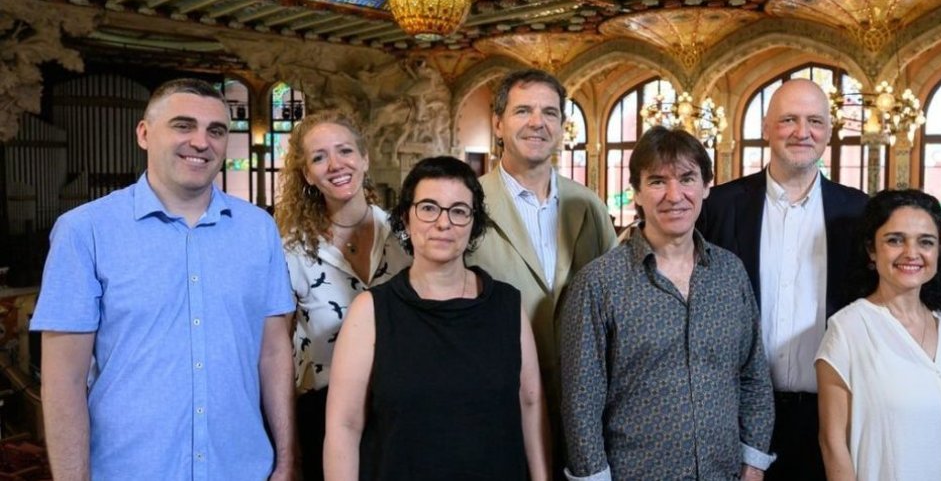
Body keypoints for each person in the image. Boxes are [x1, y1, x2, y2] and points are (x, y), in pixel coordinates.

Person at [31, 78, 296, 480]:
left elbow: (274, 354)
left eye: (216, 130)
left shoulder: (259, 229)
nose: (201, 142)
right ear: (144, 133)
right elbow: (63, 381)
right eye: (183, 125)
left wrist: (287, 462)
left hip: (242, 468)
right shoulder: (85, 231)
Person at [559, 126, 775, 480]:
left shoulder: (730, 273)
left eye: (687, 178)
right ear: (637, 193)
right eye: (658, 181)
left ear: (707, 186)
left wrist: (754, 464)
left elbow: (753, 376)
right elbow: (581, 402)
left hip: (725, 473)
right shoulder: (598, 284)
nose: (674, 195)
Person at [324, 156, 551, 481]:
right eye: (428, 208)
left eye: (458, 211)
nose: (443, 223)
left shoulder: (507, 306)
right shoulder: (371, 310)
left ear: (474, 223)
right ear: (406, 217)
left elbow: (531, 405)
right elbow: (344, 427)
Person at [696, 78, 867, 480]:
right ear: (766, 128)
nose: (802, 132)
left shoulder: (859, 212)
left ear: (829, 131)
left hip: (828, 414)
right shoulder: (719, 206)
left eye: (815, 121)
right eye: (788, 120)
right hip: (734, 410)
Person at [470, 69, 617, 447]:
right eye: (523, 111)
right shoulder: (467, 205)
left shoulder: (588, 206)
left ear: (562, 126)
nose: (538, 123)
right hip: (494, 399)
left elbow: (618, 301)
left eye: (549, 113)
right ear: (498, 124)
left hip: (583, 404)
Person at [275, 109, 410, 480]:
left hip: (403, 413)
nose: (336, 164)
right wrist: (289, 451)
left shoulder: (408, 238)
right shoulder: (290, 253)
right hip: (322, 414)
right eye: (319, 157)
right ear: (307, 174)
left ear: (364, 159)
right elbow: (277, 356)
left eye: (345, 151)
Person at [816, 189, 941, 481]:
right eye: (895, 240)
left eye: (926, 242)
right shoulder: (848, 329)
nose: (912, 253)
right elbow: (833, 444)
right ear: (872, 250)